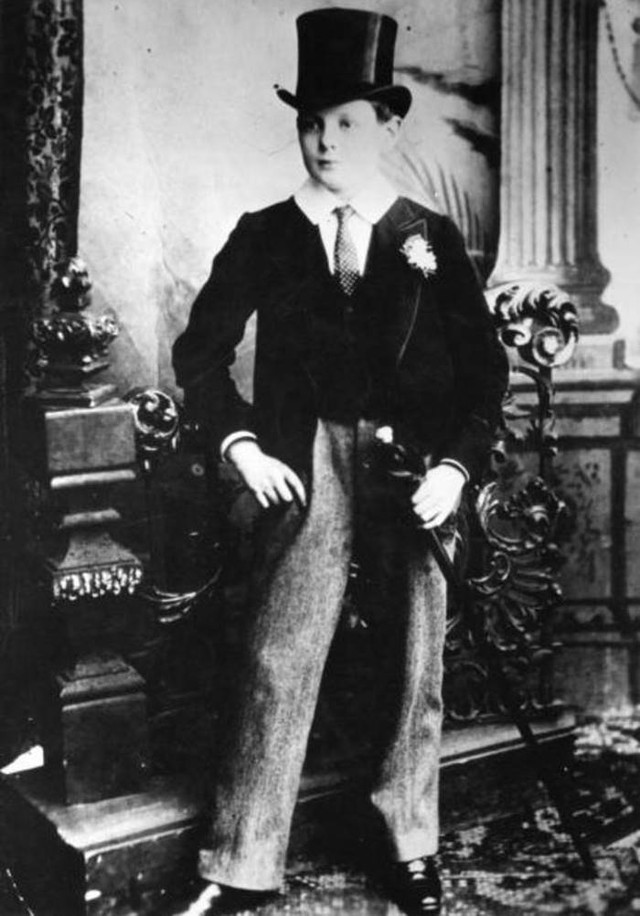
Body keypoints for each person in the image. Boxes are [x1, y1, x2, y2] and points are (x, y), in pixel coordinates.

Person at [172, 7, 508, 914]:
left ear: (388, 127)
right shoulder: (265, 232)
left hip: (412, 466)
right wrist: (241, 444)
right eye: (312, 123)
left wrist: (454, 470)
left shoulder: (427, 235)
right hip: (305, 455)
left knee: (415, 658)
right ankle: (241, 861)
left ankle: (411, 844)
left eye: (348, 123)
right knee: (279, 654)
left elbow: (486, 376)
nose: (326, 142)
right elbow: (198, 356)